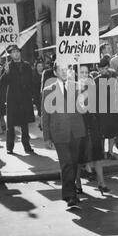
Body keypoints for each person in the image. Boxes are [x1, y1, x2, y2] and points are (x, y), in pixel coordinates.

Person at [42, 63, 86, 208]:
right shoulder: (48, 90)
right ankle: (70, 196)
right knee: (66, 163)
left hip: (76, 131)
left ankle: (71, 190)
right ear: (55, 72)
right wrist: (47, 137)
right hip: (59, 132)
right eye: (60, 70)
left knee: (73, 163)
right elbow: (45, 115)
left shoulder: (76, 86)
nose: (63, 72)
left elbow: (83, 108)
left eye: (65, 70)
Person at [75, 64, 110, 195]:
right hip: (80, 125)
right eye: (81, 72)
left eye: (86, 72)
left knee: (97, 155)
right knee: (79, 157)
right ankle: (77, 183)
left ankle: (102, 183)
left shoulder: (93, 87)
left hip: (94, 124)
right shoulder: (74, 88)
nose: (84, 74)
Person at [0, 45, 35, 155]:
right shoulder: (8, 66)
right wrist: (6, 73)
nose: (16, 54)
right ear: (10, 54)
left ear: (20, 53)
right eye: (13, 52)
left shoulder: (27, 65)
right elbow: (2, 83)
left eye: (17, 51)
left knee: (25, 125)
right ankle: (10, 147)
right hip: (13, 99)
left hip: (25, 99)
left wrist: (31, 95)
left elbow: (31, 81)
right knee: (11, 125)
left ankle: (27, 146)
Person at [92, 58, 118, 160]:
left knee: (112, 132)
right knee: (102, 133)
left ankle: (110, 152)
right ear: (98, 69)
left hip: (112, 108)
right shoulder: (95, 81)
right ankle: (102, 152)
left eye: (105, 68)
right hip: (101, 110)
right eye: (101, 69)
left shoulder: (113, 79)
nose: (104, 70)